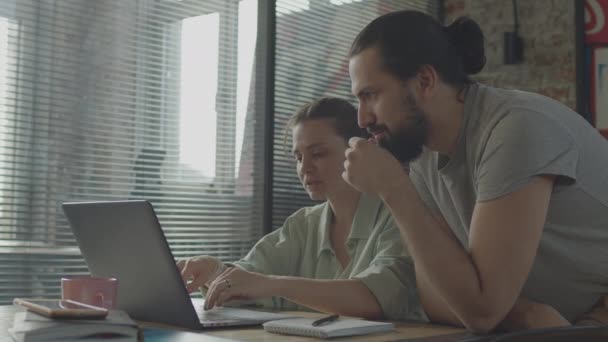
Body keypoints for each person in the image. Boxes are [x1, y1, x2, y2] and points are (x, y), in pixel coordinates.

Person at [343, 10, 608, 333]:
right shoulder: (425, 157)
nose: (361, 119)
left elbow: (480, 310)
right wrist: (525, 315)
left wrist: (394, 189)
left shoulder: (515, 130)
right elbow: (437, 296)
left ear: (425, 81)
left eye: (370, 95)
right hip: (557, 329)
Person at [177, 97, 427, 321]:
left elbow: (374, 300)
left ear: (358, 149)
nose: (304, 167)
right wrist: (213, 270)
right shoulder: (302, 225)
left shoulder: (399, 216)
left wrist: (272, 285)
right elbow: (247, 280)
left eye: (318, 154)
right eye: (298, 157)